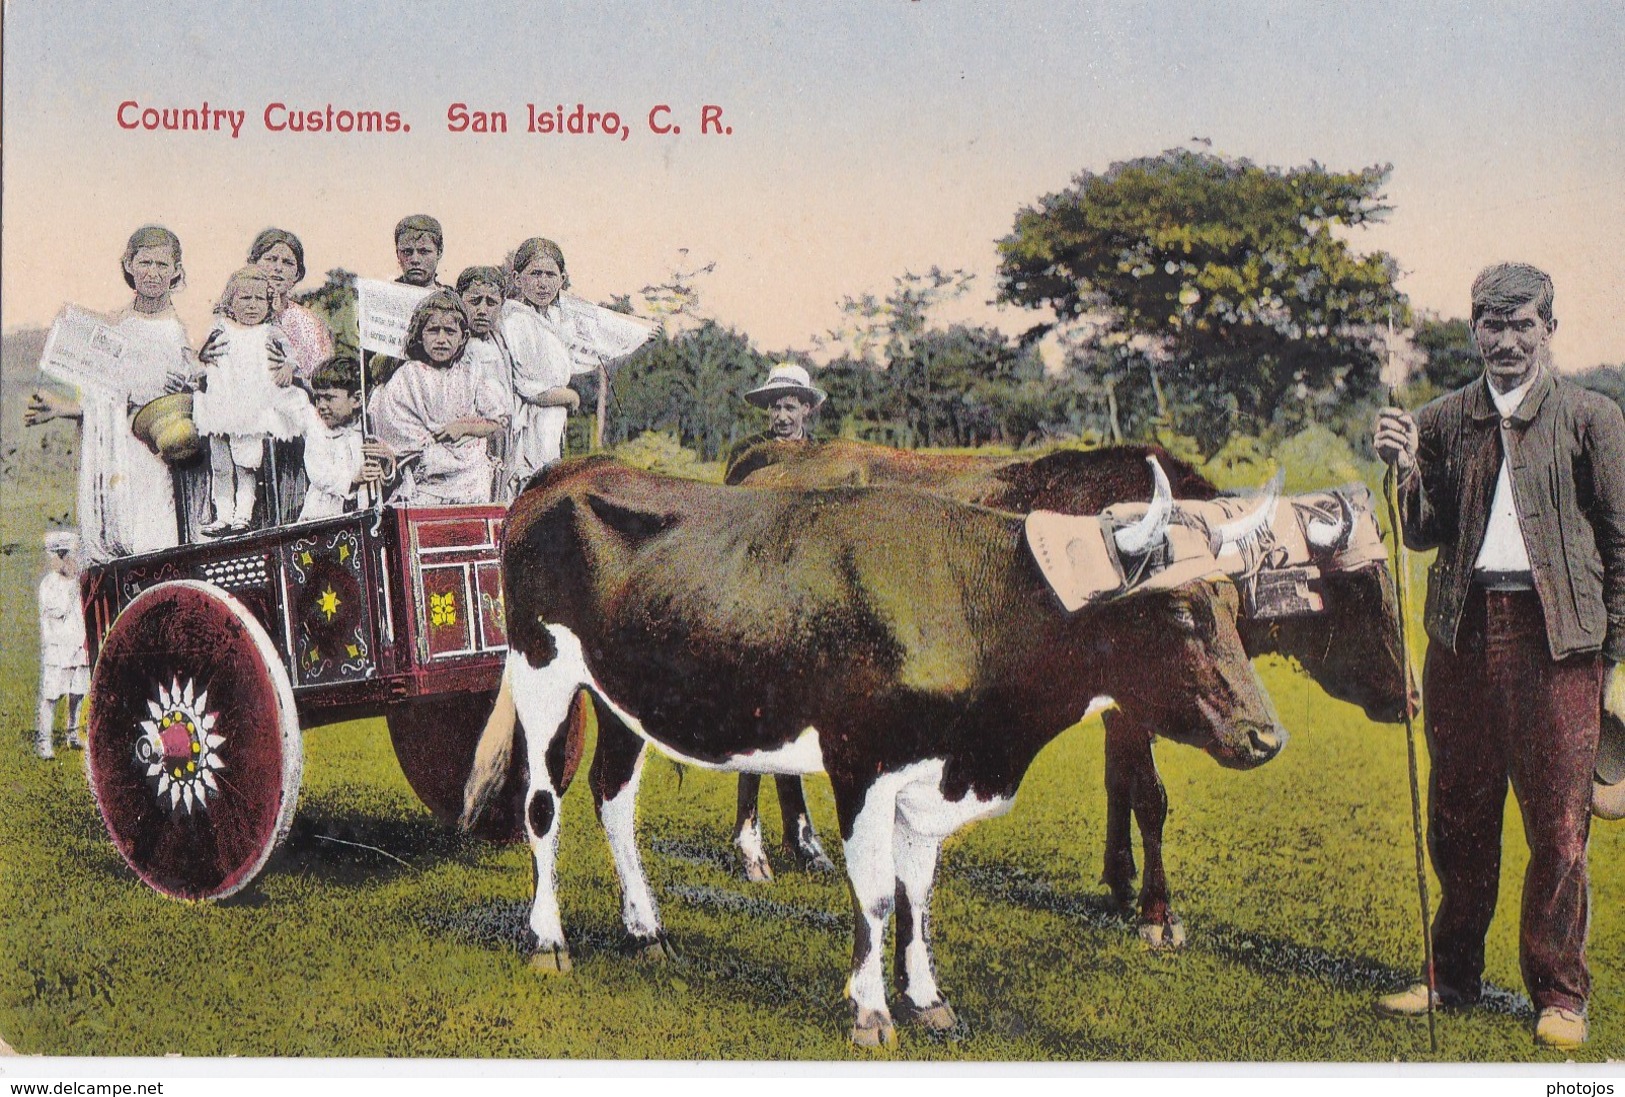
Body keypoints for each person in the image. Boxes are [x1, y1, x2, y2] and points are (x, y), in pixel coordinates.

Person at [1372, 262, 1625, 1050]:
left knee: (1557, 824)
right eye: (1492, 322)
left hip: (1561, 644)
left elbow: (1621, 542)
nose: (1507, 339)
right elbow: (1417, 532)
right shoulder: (1441, 418)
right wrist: (1402, 465)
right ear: (1472, 328)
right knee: (1459, 814)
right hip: (1460, 634)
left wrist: (1615, 657)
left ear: (1549, 328)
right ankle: (1451, 977)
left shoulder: (1590, 416)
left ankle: (1559, 993)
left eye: (1523, 323)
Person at [723, 362, 835, 880]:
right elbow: (728, 522)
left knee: (794, 717)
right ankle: (747, 831)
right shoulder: (747, 460)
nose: (781, 414)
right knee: (757, 716)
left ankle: (800, 831)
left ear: (809, 409)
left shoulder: (825, 463)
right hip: (757, 594)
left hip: (806, 598)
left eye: (791, 404)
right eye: (774, 405)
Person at [24, 225, 194, 563]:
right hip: (117, 448)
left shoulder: (178, 331)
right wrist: (60, 408)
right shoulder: (116, 326)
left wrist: (187, 388)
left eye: (162, 265)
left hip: (156, 451)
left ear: (176, 270)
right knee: (115, 532)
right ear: (129, 265)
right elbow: (105, 394)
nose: (153, 274)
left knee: (154, 537)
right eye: (145, 263)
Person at [192, 266, 305, 535]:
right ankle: (223, 515)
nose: (252, 305)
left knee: (246, 465)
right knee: (219, 466)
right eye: (244, 299)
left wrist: (288, 368)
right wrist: (200, 361)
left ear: (269, 303)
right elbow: (199, 359)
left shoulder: (270, 333)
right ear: (230, 302)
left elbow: (294, 360)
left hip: (251, 408)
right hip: (221, 406)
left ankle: (242, 515)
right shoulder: (220, 329)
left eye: (259, 299)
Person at [367, 290, 508, 504]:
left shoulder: (471, 373)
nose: (441, 339)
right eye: (433, 331)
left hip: (470, 479)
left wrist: (464, 426)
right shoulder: (408, 376)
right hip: (425, 482)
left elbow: (496, 423)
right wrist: (434, 452)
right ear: (420, 336)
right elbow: (398, 430)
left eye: (450, 332)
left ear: (463, 337)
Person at [500, 238, 581, 496]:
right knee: (535, 487)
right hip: (530, 420)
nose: (543, 283)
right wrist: (569, 396)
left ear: (562, 279)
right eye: (535, 274)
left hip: (553, 419)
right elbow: (529, 387)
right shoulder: (515, 320)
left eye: (550, 275)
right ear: (517, 277)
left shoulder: (558, 321)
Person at [297, 356, 395, 520]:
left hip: (365, 512)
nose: (321, 405)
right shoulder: (318, 432)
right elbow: (320, 475)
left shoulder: (369, 428)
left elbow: (385, 477)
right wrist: (354, 479)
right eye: (318, 398)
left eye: (329, 398)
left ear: (356, 400)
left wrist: (387, 462)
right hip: (324, 515)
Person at [456, 266, 518, 497]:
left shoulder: (500, 343)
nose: (483, 310)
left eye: (491, 303)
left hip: (503, 436)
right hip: (472, 439)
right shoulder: (457, 346)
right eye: (475, 301)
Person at [248, 227, 334, 384]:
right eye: (271, 259)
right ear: (253, 264)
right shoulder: (238, 313)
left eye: (288, 263)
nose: (278, 268)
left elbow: (323, 379)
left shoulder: (308, 323)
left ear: (297, 274)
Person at [721, 362, 826, 479]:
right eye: (776, 408)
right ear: (768, 408)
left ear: (805, 408)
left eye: (789, 408)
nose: (782, 417)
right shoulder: (745, 450)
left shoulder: (821, 451)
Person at [35, 531, 89, 760]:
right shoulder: (50, 584)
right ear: (61, 556)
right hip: (58, 648)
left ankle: (73, 732)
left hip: (77, 645)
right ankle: (44, 741)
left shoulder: (78, 581)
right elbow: (57, 611)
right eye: (71, 557)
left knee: (77, 691)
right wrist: (73, 592)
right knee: (52, 695)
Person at [395, 214, 448, 290]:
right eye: (407, 252)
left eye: (424, 252)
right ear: (398, 253)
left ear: (439, 252)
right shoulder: (383, 297)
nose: (415, 260)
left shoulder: (452, 300)